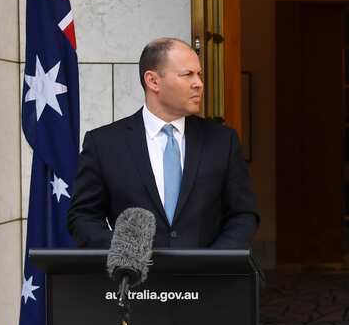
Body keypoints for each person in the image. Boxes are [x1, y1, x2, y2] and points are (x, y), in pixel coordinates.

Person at [68, 37, 258, 249]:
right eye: (188, 75)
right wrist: (124, 251)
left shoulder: (223, 141)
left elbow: (243, 215)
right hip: (134, 279)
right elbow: (83, 217)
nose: (199, 84)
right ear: (153, 81)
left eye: (199, 74)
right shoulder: (104, 144)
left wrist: (213, 262)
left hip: (208, 279)